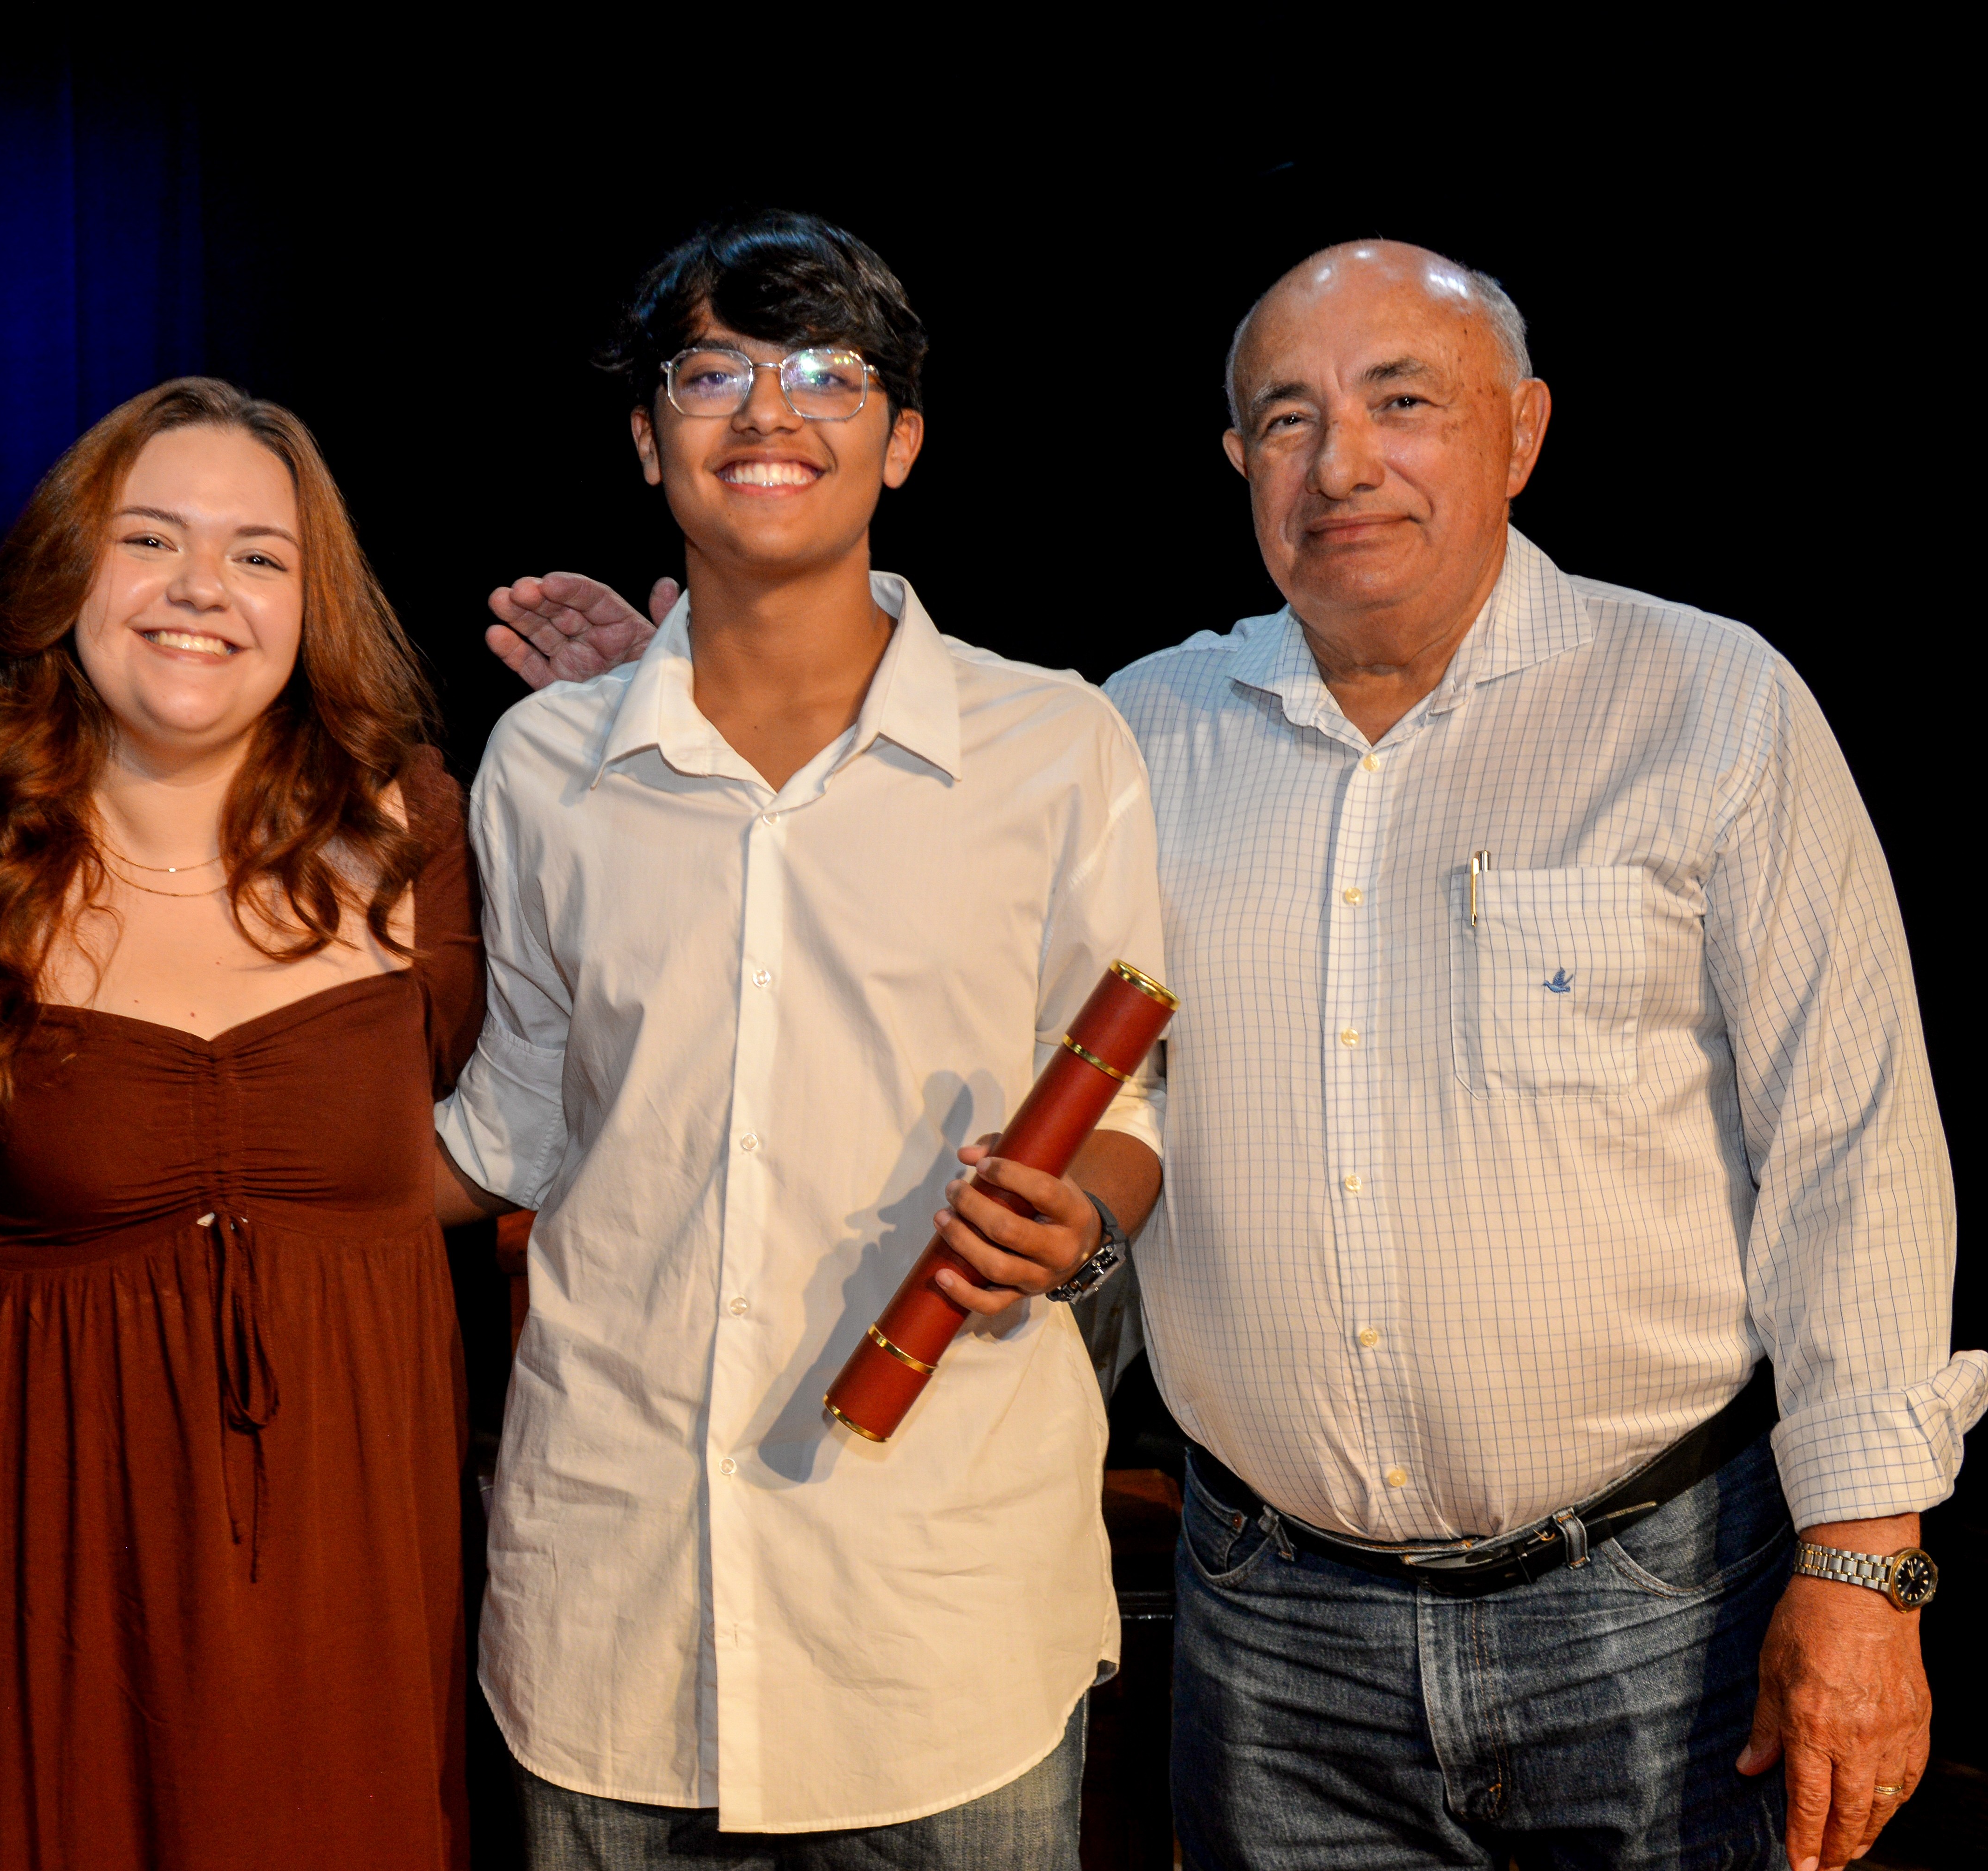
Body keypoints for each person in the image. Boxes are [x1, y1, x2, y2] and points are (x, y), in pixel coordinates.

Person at [488, 241, 1983, 1871]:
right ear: (1236, 461)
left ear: (1523, 432)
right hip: (1276, 1631)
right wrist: (665, 708)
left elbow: (1854, 1146)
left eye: (1401, 404)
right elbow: (872, 828)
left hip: (1653, 1609)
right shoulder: (1138, 733)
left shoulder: (1709, 704)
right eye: (1286, 420)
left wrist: (1866, 1565)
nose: (1340, 464)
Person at [436, 210, 1167, 1870]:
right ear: (649, 439)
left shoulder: (1055, 742)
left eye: (828, 373)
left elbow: (1133, 1104)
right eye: (713, 375)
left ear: (901, 440)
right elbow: (515, 1122)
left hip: (940, 1617)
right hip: (613, 1607)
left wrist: (1081, 1221)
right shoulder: (544, 764)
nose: (770, 412)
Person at [0, 378, 485, 1870]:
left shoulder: (422, 837)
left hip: (350, 1582)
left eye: (258, 554)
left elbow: (545, 1132)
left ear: (312, 605)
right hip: (52, 1589)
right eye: (149, 538)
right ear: (67, 576)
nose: (202, 588)